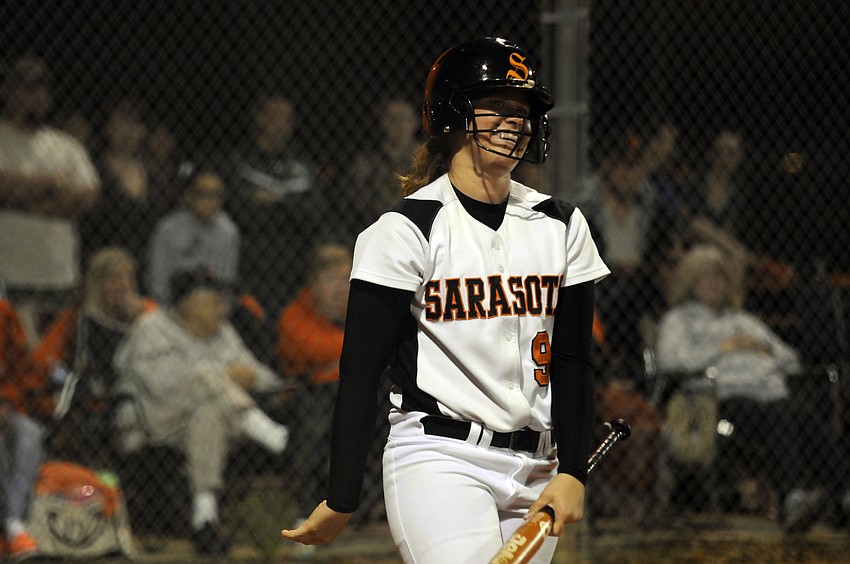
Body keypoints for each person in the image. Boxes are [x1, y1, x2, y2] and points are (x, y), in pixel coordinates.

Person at [281, 37, 610, 564]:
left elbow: (573, 359)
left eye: (522, 111)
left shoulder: (562, 224)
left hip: (538, 468)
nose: (516, 122)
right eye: (498, 106)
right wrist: (341, 496)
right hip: (440, 459)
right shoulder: (406, 229)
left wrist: (572, 470)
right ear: (453, 114)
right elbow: (361, 373)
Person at [654, 245, 849, 533]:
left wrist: (762, 348)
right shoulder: (679, 321)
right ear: (690, 283)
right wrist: (722, 348)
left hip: (770, 393)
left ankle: (844, 494)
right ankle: (793, 497)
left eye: (719, 278)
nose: (714, 284)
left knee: (800, 412)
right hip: (723, 400)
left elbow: (792, 360)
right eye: (706, 278)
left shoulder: (742, 320)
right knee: (781, 414)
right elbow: (671, 362)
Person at [112, 267, 291, 555]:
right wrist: (223, 375)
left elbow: (268, 378)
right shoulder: (151, 329)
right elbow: (161, 387)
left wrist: (251, 377)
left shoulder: (224, 333)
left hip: (200, 421)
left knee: (207, 412)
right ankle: (274, 437)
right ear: (188, 303)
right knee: (207, 380)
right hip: (151, 419)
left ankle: (204, 516)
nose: (223, 308)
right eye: (214, 300)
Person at [0, 56, 101, 344]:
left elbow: (87, 195)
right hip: (8, 275)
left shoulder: (65, 145)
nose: (36, 96)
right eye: (26, 88)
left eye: (41, 89)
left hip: (58, 275)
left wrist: (24, 202)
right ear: (8, 91)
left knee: (54, 367)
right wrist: (53, 183)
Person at [33, 246, 157, 466]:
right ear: (96, 284)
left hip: (141, 391)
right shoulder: (78, 318)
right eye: (112, 279)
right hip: (89, 393)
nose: (122, 286)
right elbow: (43, 361)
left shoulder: (147, 312)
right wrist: (64, 377)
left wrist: (138, 318)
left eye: (127, 277)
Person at [224, 90, 329, 316]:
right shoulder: (240, 162)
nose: (282, 123)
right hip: (251, 264)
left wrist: (277, 200)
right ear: (259, 118)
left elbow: (316, 214)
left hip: (295, 265)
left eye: (287, 117)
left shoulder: (301, 166)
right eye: (275, 115)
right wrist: (293, 205)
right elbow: (241, 212)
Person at [146, 165, 239, 304]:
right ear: (188, 196)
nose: (212, 202)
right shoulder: (167, 230)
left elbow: (226, 282)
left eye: (217, 195)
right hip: (173, 307)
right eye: (205, 194)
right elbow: (157, 282)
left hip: (211, 308)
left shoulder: (228, 232)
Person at [337, 97, 422, 245]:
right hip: (376, 231)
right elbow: (352, 206)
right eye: (393, 119)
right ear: (382, 122)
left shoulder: (427, 160)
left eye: (404, 119)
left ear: (415, 122)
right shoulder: (367, 162)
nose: (399, 125)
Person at [0, 300, 44, 559]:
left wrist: (6, 399)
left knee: (30, 433)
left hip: (4, 407)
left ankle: (14, 526)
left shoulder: (3, 313)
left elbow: (23, 369)